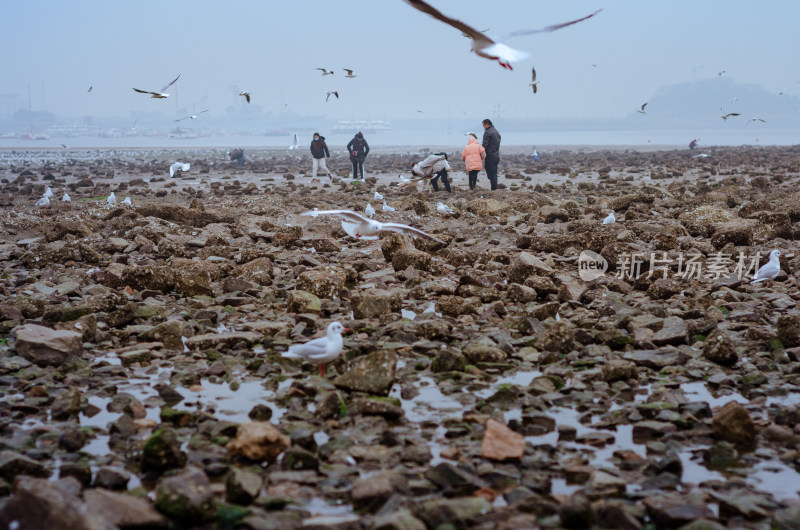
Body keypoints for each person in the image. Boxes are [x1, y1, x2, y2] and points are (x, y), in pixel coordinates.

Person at [481, 118, 501, 190]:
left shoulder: (487, 132)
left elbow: (485, 145)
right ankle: (494, 187)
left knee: (491, 173)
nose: (483, 127)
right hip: (496, 155)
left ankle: (494, 188)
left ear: (487, 124)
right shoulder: (496, 131)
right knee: (494, 173)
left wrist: (480, 153)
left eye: (484, 125)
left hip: (490, 155)